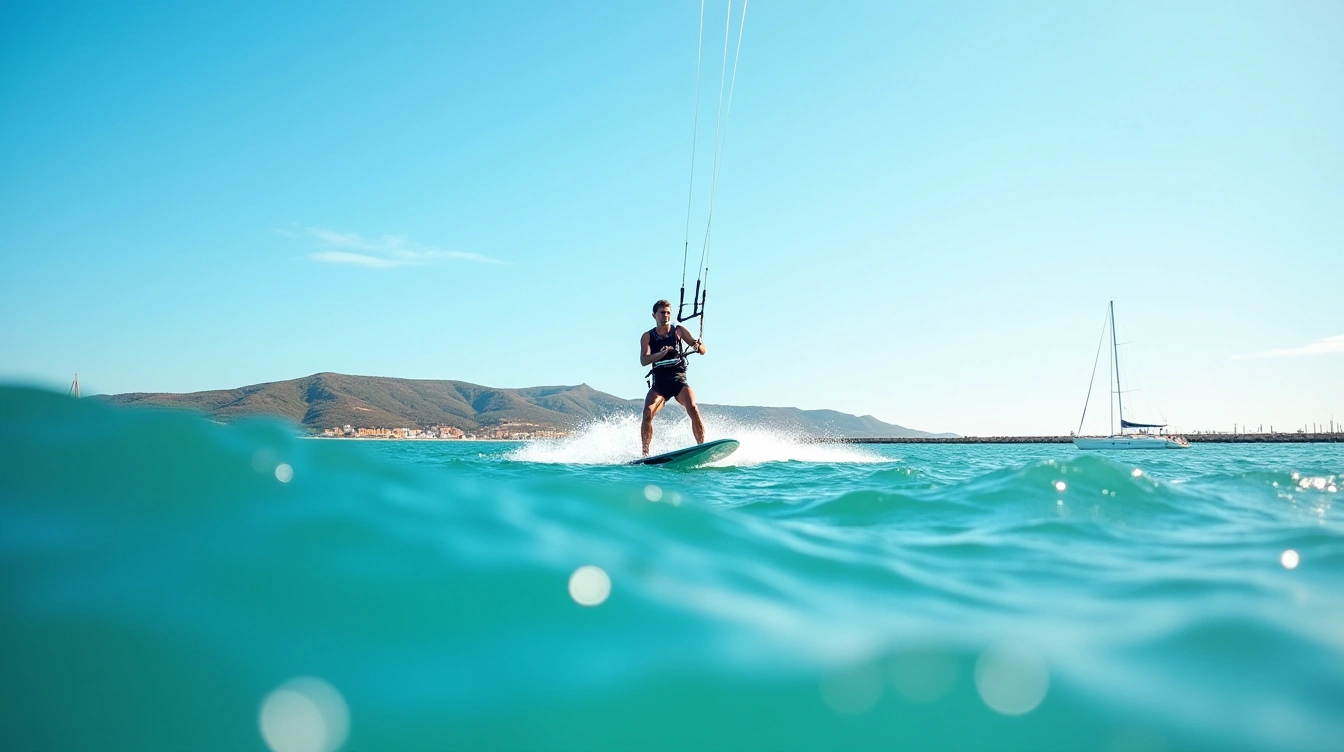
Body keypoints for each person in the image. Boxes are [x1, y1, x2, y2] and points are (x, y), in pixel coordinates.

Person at [639, 299, 706, 455]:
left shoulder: (678, 330)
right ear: (654, 315)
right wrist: (661, 353)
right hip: (660, 383)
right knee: (647, 412)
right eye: (662, 313)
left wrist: (698, 346)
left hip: (678, 380)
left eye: (668, 313)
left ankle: (702, 447)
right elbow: (643, 360)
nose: (666, 316)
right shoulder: (647, 336)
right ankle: (645, 454)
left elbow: (702, 349)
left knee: (693, 407)